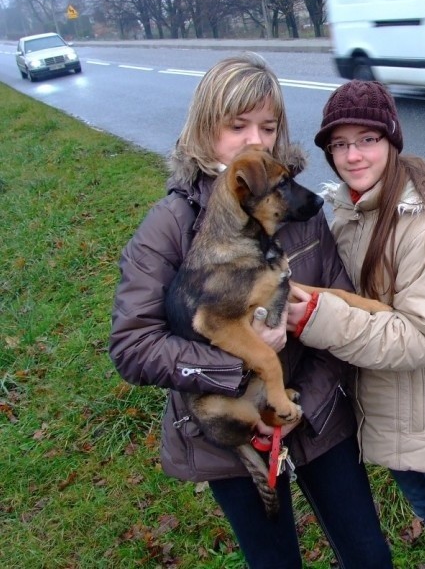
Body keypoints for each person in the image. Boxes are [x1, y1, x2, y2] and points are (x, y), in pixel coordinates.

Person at [108, 55, 392, 569]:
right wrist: (242, 367)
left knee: (370, 555)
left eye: (267, 126)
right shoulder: (170, 225)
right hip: (229, 436)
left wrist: (304, 402)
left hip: (316, 415)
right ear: (204, 131)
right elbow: (132, 346)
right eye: (237, 126)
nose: (254, 140)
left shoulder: (302, 212)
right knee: (274, 561)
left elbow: (338, 306)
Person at [287, 80, 425, 569]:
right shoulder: (350, 213)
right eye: (340, 144)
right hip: (383, 406)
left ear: (391, 141)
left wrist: (313, 317)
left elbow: (419, 337)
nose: (353, 155)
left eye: (367, 139)